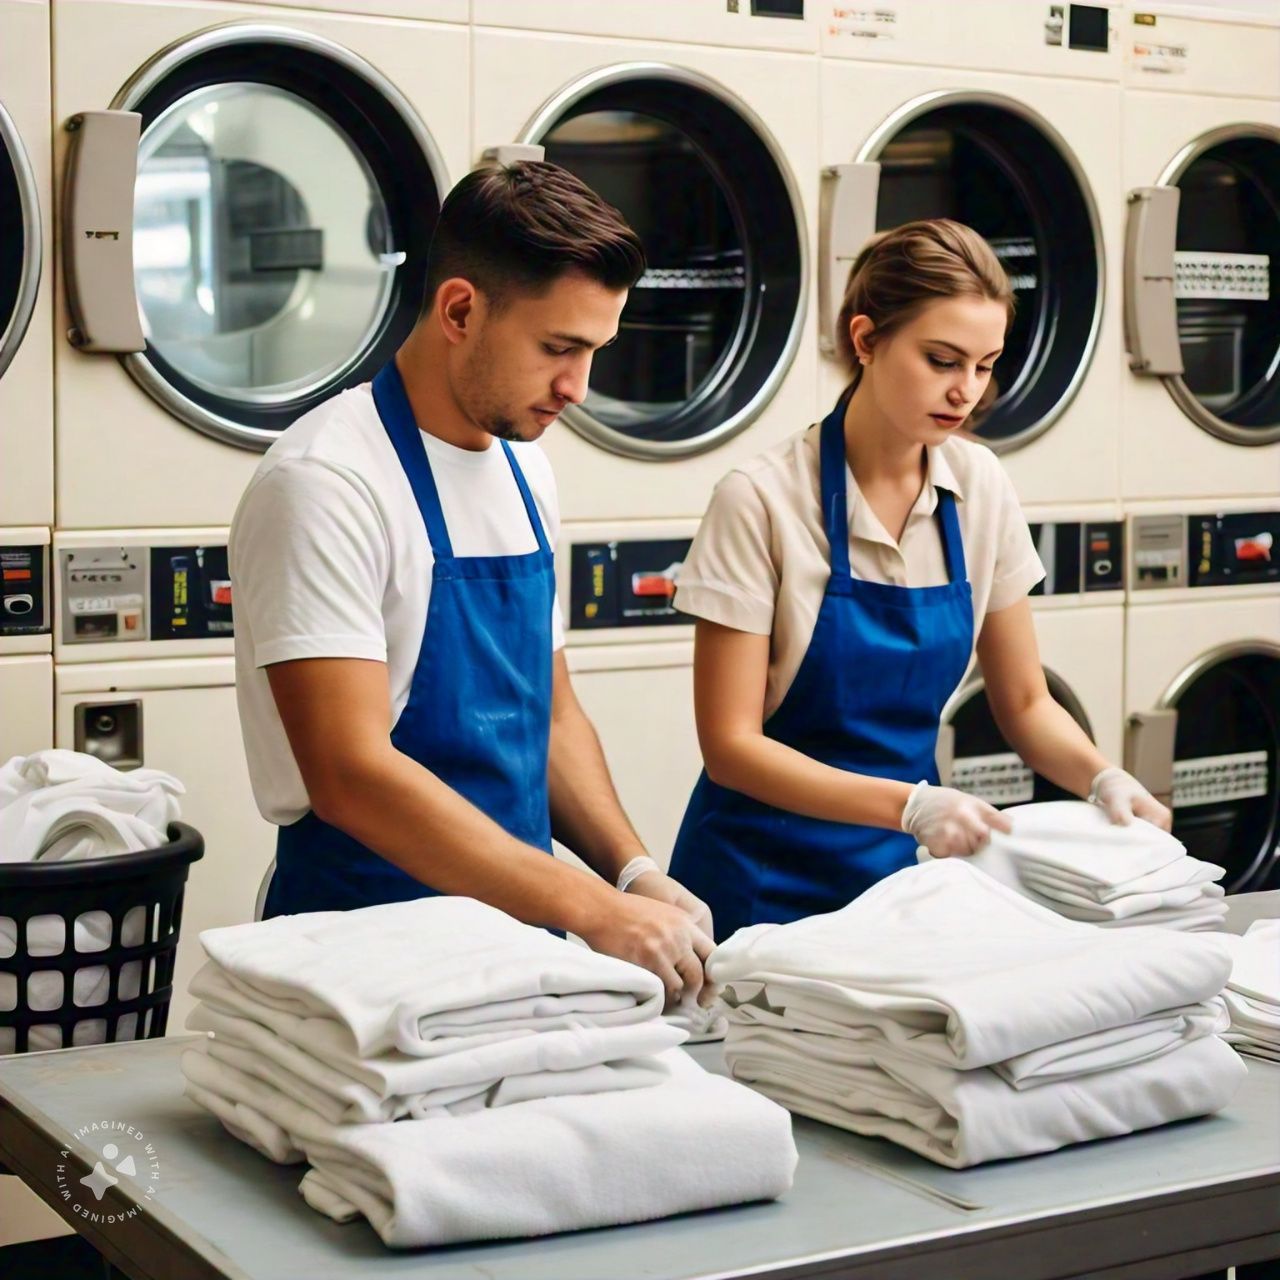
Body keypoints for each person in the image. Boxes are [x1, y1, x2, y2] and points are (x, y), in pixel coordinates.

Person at [230, 161, 713, 1006]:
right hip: (363, 958)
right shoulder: (325, 482)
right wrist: (593, 906)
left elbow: (552, 715)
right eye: (558, 348)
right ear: (460, 309)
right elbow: (349, 773)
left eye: (595, 351)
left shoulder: (528, 473)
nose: (578, 387)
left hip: (520, 946)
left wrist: (631, 873)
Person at [667, 219, 1172, 942]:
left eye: (985, 364)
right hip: (758, 883)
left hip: (897, 882)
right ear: (867, 340)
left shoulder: (980, 486)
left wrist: (1102, 777)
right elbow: (731, 745)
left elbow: (1025, 702)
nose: (966, 391)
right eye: (942, 360)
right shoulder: (762, 500)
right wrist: (909, 806)